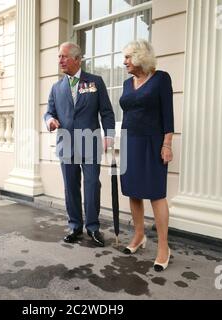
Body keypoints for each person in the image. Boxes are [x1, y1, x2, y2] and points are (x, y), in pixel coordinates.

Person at [44, 42, 116, 247]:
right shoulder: (56, 87)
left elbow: (107, 113)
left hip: (90, 143)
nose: (60, 60)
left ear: (77, 59)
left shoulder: (95, 82)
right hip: (66, 144)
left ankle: (93, 228)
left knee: (92, 185)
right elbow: (49, 111)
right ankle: (75, 226)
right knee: (70, 187)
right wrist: (49, 120)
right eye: (59, 57)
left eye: (64, 56)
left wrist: (109, 135)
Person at [119, 40, 174, 272]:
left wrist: (167, 144)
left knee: (156, 194)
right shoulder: (126, 83)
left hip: (152, 143)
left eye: (129, 57)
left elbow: (168, 114)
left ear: (141, 57)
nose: (125, 62)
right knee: (133, 191)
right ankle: (139, 236)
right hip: (129, 141)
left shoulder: (161, 78)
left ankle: (164, 246)